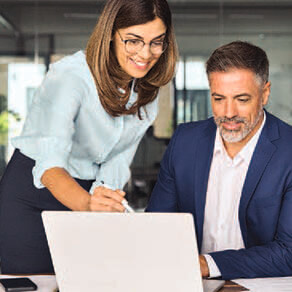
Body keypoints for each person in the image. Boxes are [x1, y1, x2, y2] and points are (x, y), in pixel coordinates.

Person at [0, 0, 177, 274]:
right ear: (110, 35)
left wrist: (104, 204)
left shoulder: (146, 94)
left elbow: (117, 162)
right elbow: (49, 167)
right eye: (133, 41)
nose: (146, 53)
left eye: (157, 42)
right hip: (35, 194)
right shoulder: (70, 76)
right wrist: (87, 205)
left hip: (89, 195)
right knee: (40, 282)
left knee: (90, 280)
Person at [146, 41, 292, 280]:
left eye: (242, 99)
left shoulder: (288, 151)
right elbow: (157, 226)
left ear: (264, 93)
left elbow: (289, 252)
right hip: (190, 283)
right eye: (218, 98)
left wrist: (207, 264)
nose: (228, 113)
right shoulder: (185, 141)